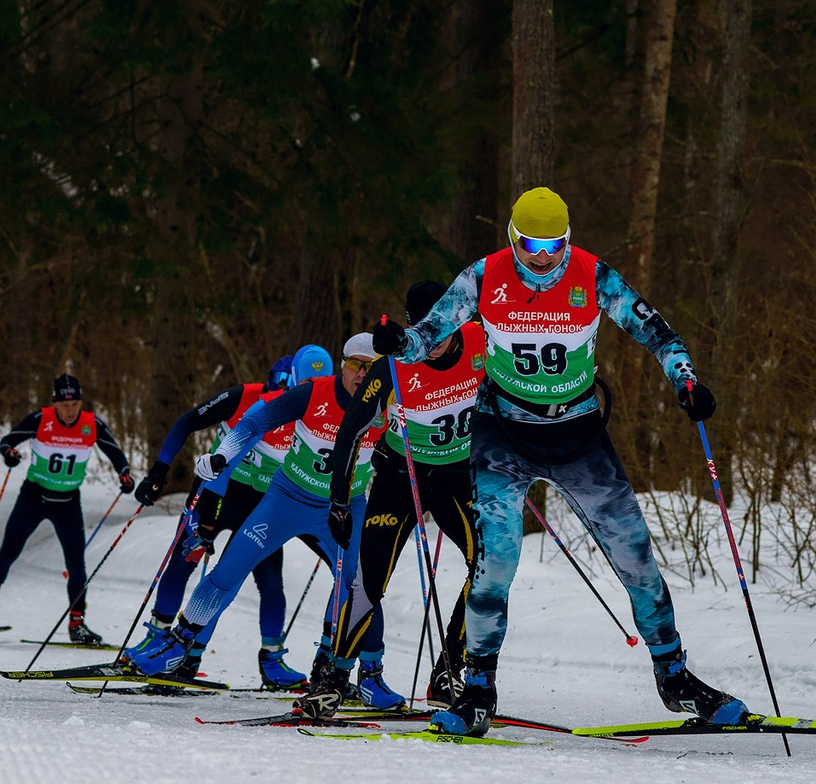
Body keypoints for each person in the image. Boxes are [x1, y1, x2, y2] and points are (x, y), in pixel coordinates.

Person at [352, 187, 743, 735]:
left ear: (568, 238)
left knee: (635, 556)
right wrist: (400, 341)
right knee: (495, 566)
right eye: (531, 243)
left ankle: (675, 676)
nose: (542, 256)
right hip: (502, 432)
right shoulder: (484, 277)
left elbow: (656, 331)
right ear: (514, 237)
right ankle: (477, 690)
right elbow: (428, 337)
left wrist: (686, 381)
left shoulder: (591, 274)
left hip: (577, 430)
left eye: (553, 243)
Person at [123, 340, 381, 683]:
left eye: (370, 367)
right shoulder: (299, 399)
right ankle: (176, 644)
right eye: (356, 366)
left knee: (360, 584)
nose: (361, 375)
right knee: (221, 570)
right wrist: (210, 469)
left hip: (337, 507)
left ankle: (348, 668)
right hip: (268, 497)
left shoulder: (385, 405)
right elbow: (245, 429)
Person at [330, 280, 485, 710]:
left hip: (456, 475)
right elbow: (350, 430)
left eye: (440, 332)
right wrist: (339, 500)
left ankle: (449, 671)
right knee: (371, 578)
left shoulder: (482, 340)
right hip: (402, 477)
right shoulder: (393, 365)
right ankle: (335, 675)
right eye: (422, 333)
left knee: (489, 563)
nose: (431, 345)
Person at [128, 354, 311, 688]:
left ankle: (268, 659)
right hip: (215, 493)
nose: (277, 406)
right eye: (273, 394)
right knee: (184, 561)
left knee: (267, 581)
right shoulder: (244, 397)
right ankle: (157, 637)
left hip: (262, 505)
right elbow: (185, 422)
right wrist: (159, 470)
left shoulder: (309, 413)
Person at [0, 374, 131, 644]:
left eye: (75, 404)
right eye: (65, 405)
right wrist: (10, 454)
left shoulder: (91, 424)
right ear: (55, 403)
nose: (70, 410)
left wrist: (124, 474)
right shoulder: (41, 419)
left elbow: (117, 455)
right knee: (8, 553)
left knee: (76, 564)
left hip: (68, 503)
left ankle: (77, 624)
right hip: (33, 499)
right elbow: (7, 441)